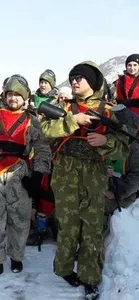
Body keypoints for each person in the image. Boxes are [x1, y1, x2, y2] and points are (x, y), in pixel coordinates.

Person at [40, 61, 129, 300]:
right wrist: (72, 121)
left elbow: (124, 147)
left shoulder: (107, 110)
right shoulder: (63, 106)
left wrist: (105, 142)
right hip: (65, 173)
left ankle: (90, 278)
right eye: (72, 78)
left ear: (93, 81)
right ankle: (64, 269)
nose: (75, 81)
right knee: (67, 225)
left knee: (92, 228)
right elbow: (43, 131)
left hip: (94, 173)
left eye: (81, 77)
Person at [0, 75, 51, 274]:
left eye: (17, 95)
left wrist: (37, 176)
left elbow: (42, 150)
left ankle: (16, 257)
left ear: (25, 97)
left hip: (19, 174)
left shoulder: (33, 121)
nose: (13, 98)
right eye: (9, 94)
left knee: (19, 220)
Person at [111, 54, 139, 143]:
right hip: (121, 116)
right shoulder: (119, 81)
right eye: (129, 65)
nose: (132, 68)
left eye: (135, 65)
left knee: (136, 144)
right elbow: (111, 98)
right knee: (121, 143)